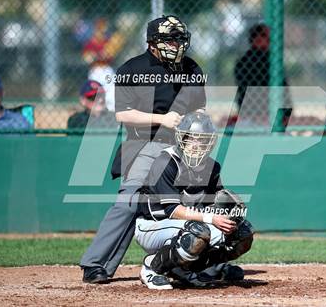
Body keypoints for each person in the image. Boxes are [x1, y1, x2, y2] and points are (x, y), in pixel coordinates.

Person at [80, 15, 206, 283]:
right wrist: (162, 119)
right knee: (129, 203)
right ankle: (95, 264)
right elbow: (122, 115)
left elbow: (199, 107)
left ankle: (199, 265)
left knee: (196, 200)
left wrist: (195, 122)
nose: (177, 44)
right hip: (143, 143)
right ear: (152, 43)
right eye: (170, 39)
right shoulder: (132, 69)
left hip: (182, 146)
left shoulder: (192, 68)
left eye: (180, 39)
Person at [134, 112, 253, 289]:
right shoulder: (167, 161)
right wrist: (211, 219)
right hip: (153, 225)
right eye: (193, 138)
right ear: (182, 138)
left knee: (242, 232)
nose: (198, 144)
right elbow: (172, 210)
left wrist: (229, 215)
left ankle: (200, 268)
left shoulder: (212, 166)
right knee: (198, 232)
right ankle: (152, 267)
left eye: (203, 140)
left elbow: (214, 205)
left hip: (189, 224)